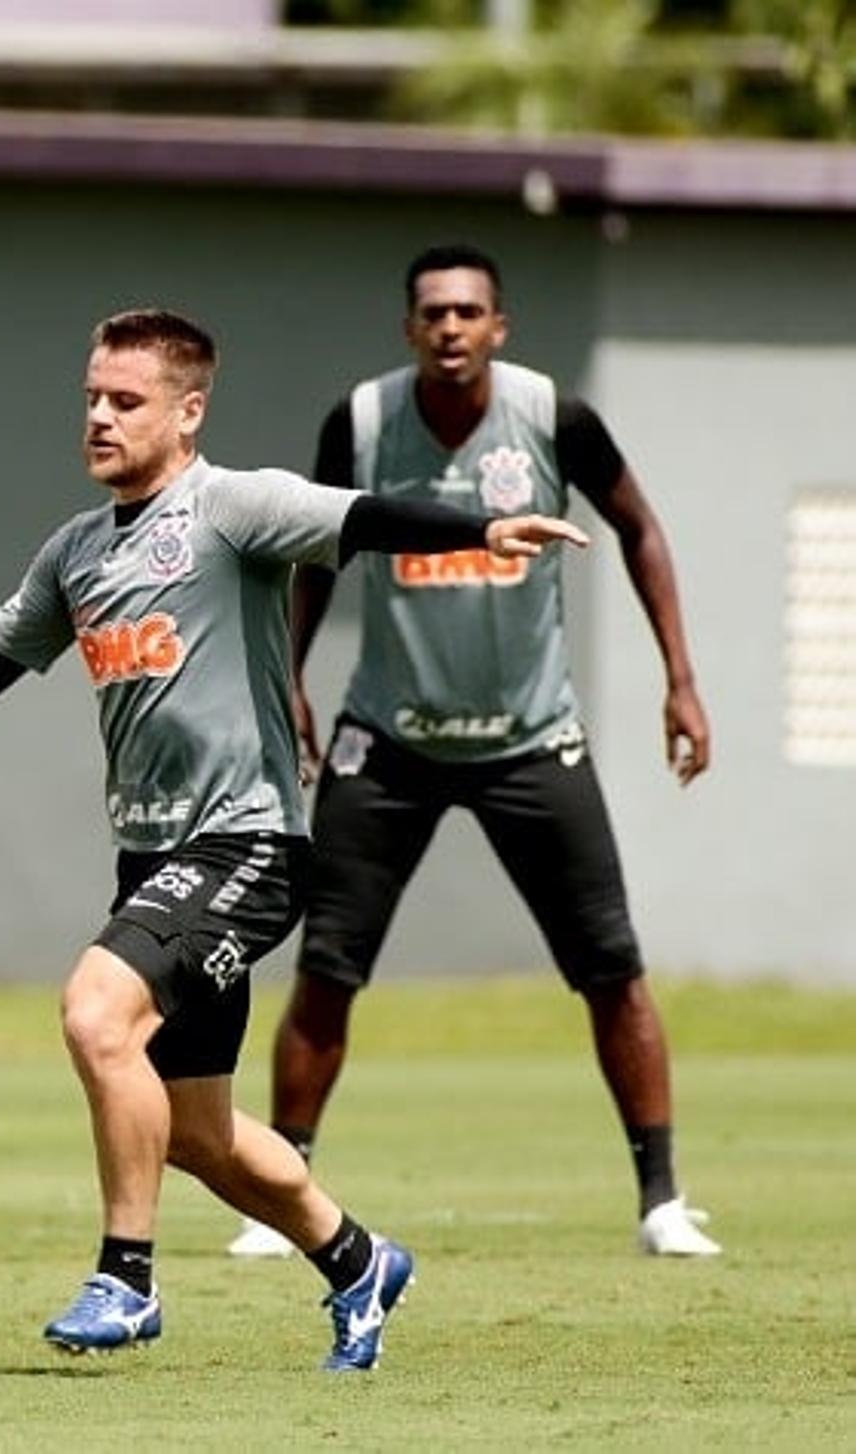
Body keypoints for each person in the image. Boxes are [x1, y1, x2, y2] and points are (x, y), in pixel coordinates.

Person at [0, 308, 587, 1370]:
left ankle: (127, 1276)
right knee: (196, 1130)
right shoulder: (76, 550)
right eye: (92, 397)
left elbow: (364, 515)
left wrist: (480, 529)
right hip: (155, 860)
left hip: (244, 846)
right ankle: (359, 1259)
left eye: (127, 399)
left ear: (188, 411)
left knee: (97, 1014)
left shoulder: (232, 508)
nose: (100, 415)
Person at [227, 244, 719, 1262]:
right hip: (389, 738)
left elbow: (640, 526)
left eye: (470, 312)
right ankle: (280, 1193)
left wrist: (680, 676)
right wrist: (291, 679)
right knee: (325, 968)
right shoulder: (362, 423)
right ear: (409, 329)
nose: (451, 328)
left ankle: (662, 1198)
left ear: (501, 327)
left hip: (531, 735)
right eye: (433, 313)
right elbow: (312, 554)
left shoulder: (552, 417)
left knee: (612, 965)